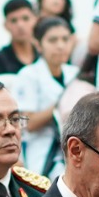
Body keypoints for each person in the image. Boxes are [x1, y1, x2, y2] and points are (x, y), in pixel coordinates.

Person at [14, 16, 76, 176]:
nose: (61, 46)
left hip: (74, 147)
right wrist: (60, 106)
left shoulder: (74, 73)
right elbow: (28, 123)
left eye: (65, 39)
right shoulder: (28, 74)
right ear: (38, 45)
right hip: (41, 149)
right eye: (53, 40)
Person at [0, 0, 39, 76]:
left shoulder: (45, 57)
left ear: (35, 20)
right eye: (14, 20)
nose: (20, 25)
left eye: (25, 18)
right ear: (5, 25)